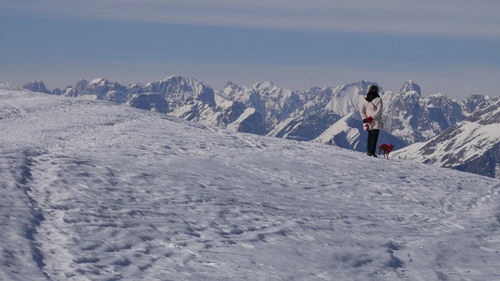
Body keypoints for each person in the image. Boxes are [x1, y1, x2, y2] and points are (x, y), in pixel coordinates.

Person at [360, 85, 383, 157]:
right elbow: (379, 111)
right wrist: (372, 117)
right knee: (374, 137)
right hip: (376, 121)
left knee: (370, 136)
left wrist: (365, 118)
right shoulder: (378, 99)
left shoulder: (365, 100)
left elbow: (361, 110)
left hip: (368, 121)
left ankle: (368, 151)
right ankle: (372, 152)